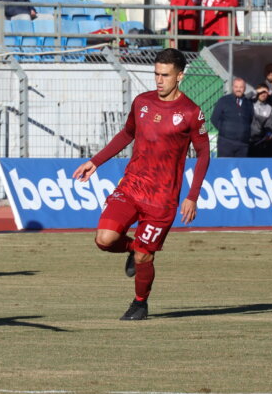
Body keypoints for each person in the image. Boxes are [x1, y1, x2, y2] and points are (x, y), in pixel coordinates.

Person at [72, 48, 210, 321]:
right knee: (104, 239)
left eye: (165, 75)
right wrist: (96, 161)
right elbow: (127, 134)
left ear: (180, 76)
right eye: (156, 74)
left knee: (145, 258)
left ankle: (140, 304)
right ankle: (133, 248)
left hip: (163, 200)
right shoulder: (142, 102)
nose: (159, 80)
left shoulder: (192, 112)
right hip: (132, 187)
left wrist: (192, 196)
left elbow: (204, 153)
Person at [211, 78, 253, 157]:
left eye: (241, 87)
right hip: (226, 143)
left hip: (242, 144)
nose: (238, 89)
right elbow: (214, 118)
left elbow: (250, 119)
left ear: (245, 88)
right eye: (236, 87)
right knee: (225, 167)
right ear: (232, 87)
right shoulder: (223, 101)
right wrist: (225, 130)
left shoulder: (248, 103)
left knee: (240, 168)